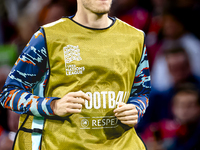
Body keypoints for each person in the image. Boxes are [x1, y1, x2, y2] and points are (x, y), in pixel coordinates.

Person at [0, 0, 151, 149]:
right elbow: (9, 94)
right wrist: (53, 105)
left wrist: (136, 108)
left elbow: (142, 92)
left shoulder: (135, 38)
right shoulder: (47, 37)